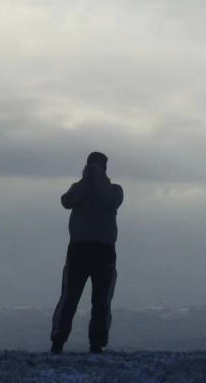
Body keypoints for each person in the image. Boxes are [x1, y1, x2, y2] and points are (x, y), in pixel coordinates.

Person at [50, 151, 123, 354]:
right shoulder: (78, 189)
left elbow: (111, 200)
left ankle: (96, 344)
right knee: (69, 299)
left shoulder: (115, 190)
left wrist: (97, 179)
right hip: (81, 250)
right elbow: (66, 201)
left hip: (102, 251)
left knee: (101, 301)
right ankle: (58, 340)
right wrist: (86, 181)